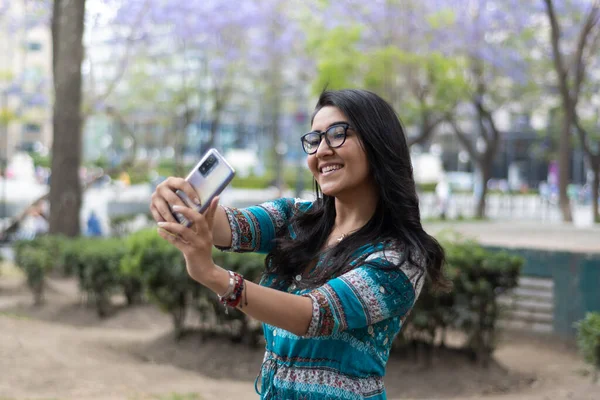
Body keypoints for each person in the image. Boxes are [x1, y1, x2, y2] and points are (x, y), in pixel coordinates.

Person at [150, 89, 449, 399]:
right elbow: (233, 226)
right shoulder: (298, 217)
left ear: (378, 143)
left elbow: (313, 315)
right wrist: (178, 201)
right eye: (314, 139)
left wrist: (215, 277)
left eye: (337, 134)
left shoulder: (399, 258)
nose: (322, 150)